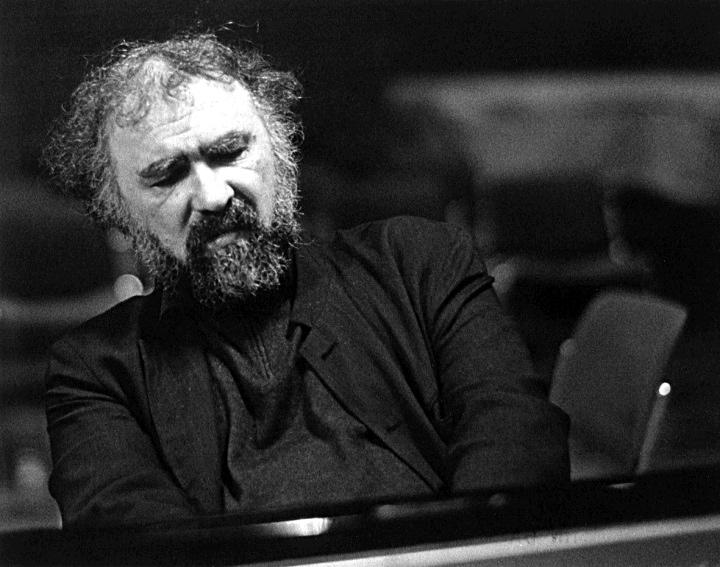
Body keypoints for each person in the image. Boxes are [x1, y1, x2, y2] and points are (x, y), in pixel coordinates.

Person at [42, 33, 569, 529]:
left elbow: (516, 442)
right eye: (167, 175)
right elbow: (137, 542)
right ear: (119, 211)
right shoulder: (94, 370)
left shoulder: (420, 265)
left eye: (230, 152)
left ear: (281, 153)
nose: (213, 195)